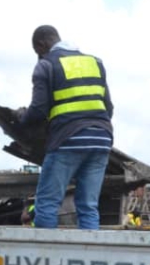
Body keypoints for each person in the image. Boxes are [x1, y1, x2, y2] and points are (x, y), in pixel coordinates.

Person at [14, 25, 114, 230]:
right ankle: (88, 257)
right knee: (88, 206)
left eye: (37, 52)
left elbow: (39, 110)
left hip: (67, 140)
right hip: (101, 139)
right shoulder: (95, 63)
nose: (38, 57)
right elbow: (109, 107)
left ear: (41, 45)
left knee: (47, 204)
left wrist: (21, 118)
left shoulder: (46, 65)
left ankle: (46, 258)